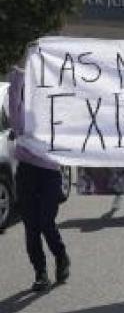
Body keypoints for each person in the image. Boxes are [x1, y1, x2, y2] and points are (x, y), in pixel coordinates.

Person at [8, 62, 70, 292]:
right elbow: (13, 95)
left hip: (49, 173)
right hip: (26, 172)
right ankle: (40, 273)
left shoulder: (55, 111)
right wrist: (22, 70)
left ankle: (61, 256)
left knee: (46, 222)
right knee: (31, 227)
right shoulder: (20, 112)